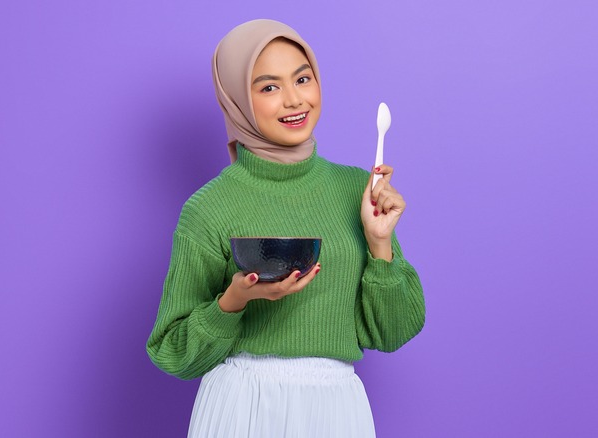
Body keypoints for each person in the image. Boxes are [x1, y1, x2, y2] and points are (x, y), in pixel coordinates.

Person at [147, 19, 426, 437]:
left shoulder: (358, 190)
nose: (294, 100)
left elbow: (394, 333)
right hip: (242, 408)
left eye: (302, 78)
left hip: (336, 409)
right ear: (237, 99)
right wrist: (234, 301)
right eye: (269, 87)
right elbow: (172, 352)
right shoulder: (208, 208)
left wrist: (379, 242)